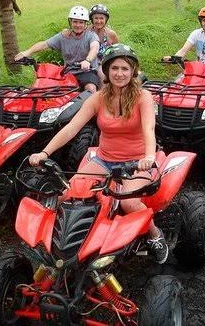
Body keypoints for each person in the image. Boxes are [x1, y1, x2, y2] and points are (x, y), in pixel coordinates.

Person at [29, 43, 168, 264]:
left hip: (136, 162)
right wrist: (45, 152)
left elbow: (149, 130)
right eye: (114, 68)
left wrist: (148, 157)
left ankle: (155, 235)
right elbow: (71, 128)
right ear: (106, 70)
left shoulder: (143, 97)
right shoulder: (98, 98)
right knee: (68, 195)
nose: (119, 74)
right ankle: (71, 245)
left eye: (125, 68)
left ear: (133, 71)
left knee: (129, 203)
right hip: (104, 160)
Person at [15, 5, 100, 92]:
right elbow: (44, 44)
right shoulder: (63, 36)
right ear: (70, 22)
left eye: (81, 22)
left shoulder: (91, 35)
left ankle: (93, 105)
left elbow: (95, 48)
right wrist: (27, 52)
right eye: (75, 22)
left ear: (86, 24)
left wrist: (88, 60)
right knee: (49, 90)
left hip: (87, 72)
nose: (78, 25)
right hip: (68, 73)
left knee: (90, 88)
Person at [88, 4, 119, 83]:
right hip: (89, 63)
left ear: (106, 19)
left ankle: (103, 94)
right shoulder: (86, 32)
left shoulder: (111, 34)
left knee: (102, 74)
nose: (99, 21)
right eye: (96, 18)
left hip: (106, 63)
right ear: (92, 19)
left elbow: (117, 51)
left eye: (101, 18)